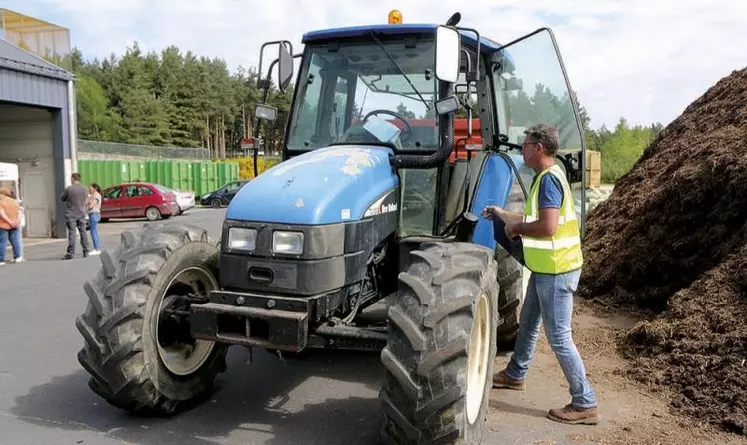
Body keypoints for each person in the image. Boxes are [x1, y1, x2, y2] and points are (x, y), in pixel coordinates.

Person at [482, 124, 599, 425]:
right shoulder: (546, 177)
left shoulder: (548, 181)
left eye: (525, 145)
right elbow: (534, 218)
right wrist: (502, 213)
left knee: (559, 338)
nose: (521, 150)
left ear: (539, 148)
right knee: (529, 323)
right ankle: (515, 374)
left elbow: (546, 227)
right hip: (545, 269)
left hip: (557, 271)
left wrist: (516, 228)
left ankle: (585, 401)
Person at [60, 172, 90, 259]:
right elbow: (86, 200)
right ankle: (86, 251)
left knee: (72, 233)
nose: (70, 180)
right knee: (83, 232)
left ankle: (70, 253)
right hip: (81, 213)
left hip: (71, 214)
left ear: (73, 178)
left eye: (71, 178)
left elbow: (62, 198)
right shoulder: (85, 189)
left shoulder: (69, 189)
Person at [0, 186, 23, 265]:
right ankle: (17, 257)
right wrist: (17, 222)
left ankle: (1, 260)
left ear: (2, 194)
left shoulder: (1, 202)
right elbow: (19, 213)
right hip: (15, 224)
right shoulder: (14, 202)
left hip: (3, 225)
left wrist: (9, 222)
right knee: (15, 241)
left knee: (2, 242)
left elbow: (2, 213)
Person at [86, 183, 102, 256]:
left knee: (93, 232)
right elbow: (86, 204)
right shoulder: (92, 196)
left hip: (94, 214)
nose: (89, 189)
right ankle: (97, 248)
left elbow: (90, 206)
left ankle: (97, 249)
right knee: (94, 232)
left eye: (90, 188)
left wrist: (89, 203)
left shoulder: (97, 195)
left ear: (95, 188)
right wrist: (89, 198)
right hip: (93, 215)